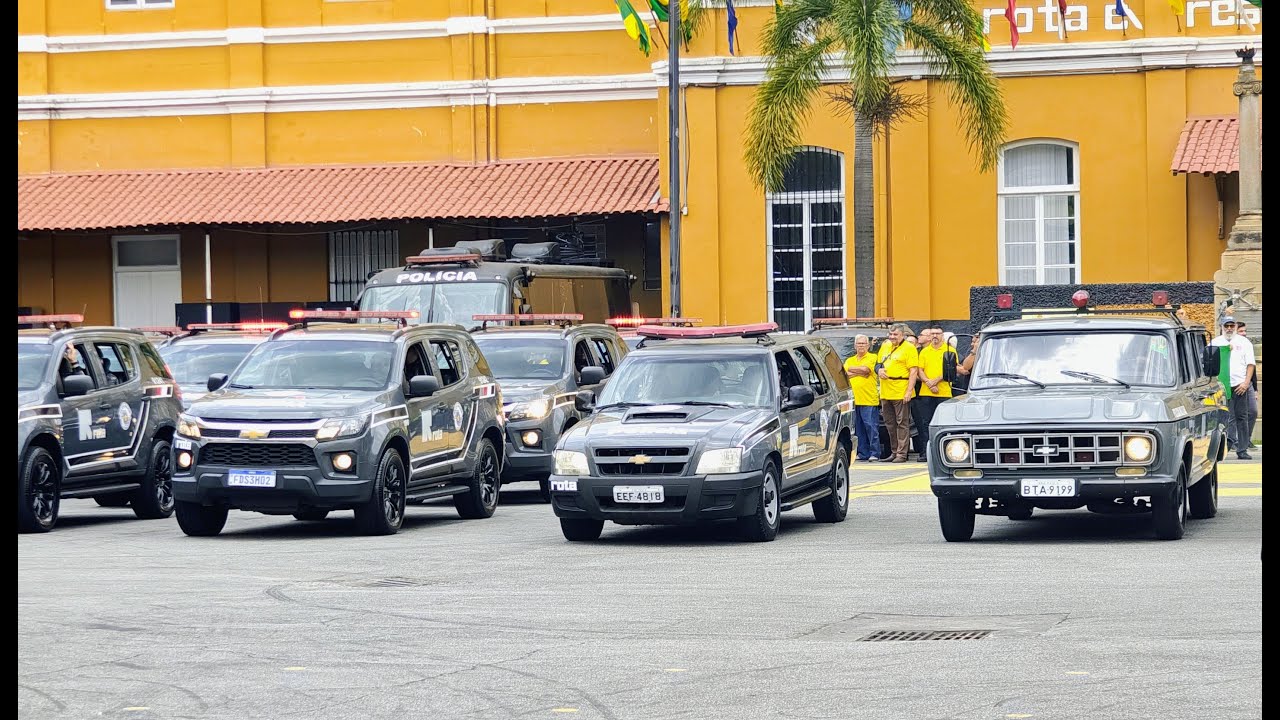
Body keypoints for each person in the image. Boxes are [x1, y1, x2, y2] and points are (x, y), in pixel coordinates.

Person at [1211, 316, 1256, 460]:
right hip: (1221, 386)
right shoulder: (1215, 342)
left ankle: (1242, 449)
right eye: (1226, 326)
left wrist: (1246, 383)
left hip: (1239, 385)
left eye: (1231, 326)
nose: (1229, 329)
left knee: (1242, 417)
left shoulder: (1244, 342)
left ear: (1235, 326)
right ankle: (1221, 447)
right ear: (1222, 327)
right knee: (1221, 418)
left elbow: (1250, 364)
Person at [877, 323, 919, 463]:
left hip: (901, 389)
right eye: (890, 334)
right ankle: (894, 451)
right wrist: (879, 370)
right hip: (886, 390)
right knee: (889, 423)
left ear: (902, 335)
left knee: (902, 423)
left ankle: (902, 453)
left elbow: (913, 371)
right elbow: (878, 364)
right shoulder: (885, 345)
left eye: (895, 334)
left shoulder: (909, 348)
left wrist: (909, 391)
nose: (892, 337)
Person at [914, 329, 958, 461]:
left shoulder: (949, 350)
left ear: (942, 336)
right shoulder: (924, 351)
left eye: (937, 334)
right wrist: (928, 382)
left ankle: (944, 453)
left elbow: (950, 370)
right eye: (932, 334)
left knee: (944, 423)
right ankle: (926, 452)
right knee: (925, 423)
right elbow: (920, 370)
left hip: (943, 391)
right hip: (926, 392)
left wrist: (935, 381)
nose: (934, 336)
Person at [844, 334, 882, 462]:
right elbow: (845, 374)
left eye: (864, 343)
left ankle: (875, 453)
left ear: (868, 345)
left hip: (869, 399)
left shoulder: (873, 357)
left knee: (871, 428)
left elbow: (866, 370)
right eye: (859, 343)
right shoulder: (849, 360)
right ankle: (863, 453)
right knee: (858, 429)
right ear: (855, 345)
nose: (861, 346)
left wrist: (853, 370)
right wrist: (859, 371)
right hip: (854, 400)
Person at [1237, 322, 1259, 450]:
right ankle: (1235, 441)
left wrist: (1255, 389)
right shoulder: (1230, 346)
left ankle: (1246, 439)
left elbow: (1252, 368)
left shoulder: (1248, 345)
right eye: (1241, 331)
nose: (1244, 333)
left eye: (1245, 331)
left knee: (1253, 411)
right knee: (1235, 415)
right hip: (1234, 383)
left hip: (1248, 383)